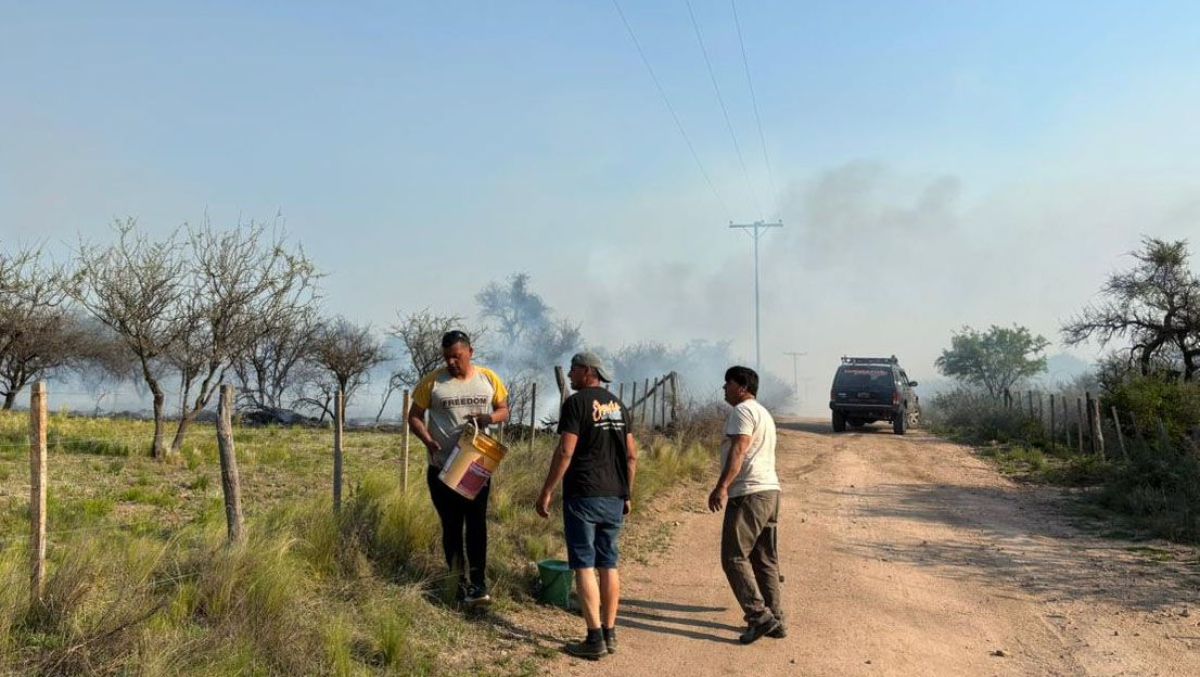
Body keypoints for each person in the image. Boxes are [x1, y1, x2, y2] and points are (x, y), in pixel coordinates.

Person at [536, 352, 637, 660]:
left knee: (583, 564)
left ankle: (594, 638)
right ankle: (610, 632)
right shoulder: (619, 406)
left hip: (583, 494)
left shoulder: (576, 404)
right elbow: (632, 455)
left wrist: (547, 491)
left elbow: (566, 450)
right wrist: (627, 494)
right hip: (614, 495)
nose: (569, 375)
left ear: (587, 371)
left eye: (573, 369)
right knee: (609, 564)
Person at [409, 330, 510, 606]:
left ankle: (479, 586)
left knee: (476, 526)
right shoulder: (433, 382)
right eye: (447, 357)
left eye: (457, 356)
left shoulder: (488, 379)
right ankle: (457, 584)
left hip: (475, 467)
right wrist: (428, 440)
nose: (452, 362)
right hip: (442, 469)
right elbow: (414, 417)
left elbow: (504, 410)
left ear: (470, 352)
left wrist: (488, 417)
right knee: (452, 527)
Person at [708, 365, 785, 644]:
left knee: (733, 557)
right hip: (770, 492)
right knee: (765, 559)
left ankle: (758, 616)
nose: (724, 389)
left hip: (749, 493)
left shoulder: (741, 411)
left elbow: (739, 449)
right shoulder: (763, 413)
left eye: (727, 383)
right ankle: (775, 619)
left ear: (741, 387)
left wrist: (722, 487)